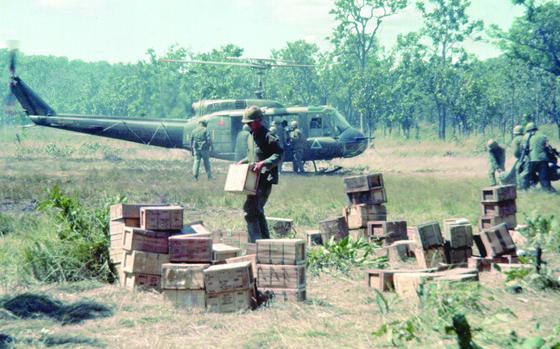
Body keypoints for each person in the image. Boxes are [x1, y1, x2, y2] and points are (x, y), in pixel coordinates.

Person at [238, 106, 283, 242]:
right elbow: (253, 156)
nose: (248, 125)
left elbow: (279, 154)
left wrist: (263, 164)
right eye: (247, 123)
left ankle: (255, 243)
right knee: (257, 211)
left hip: (264, 180)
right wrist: (243, 161)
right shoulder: (251, 137)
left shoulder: (268, 136)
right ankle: (264, 242)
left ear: (258, 121)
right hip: (252, 180)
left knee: (250, 211)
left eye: (250, 122)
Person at [522, 122, 555, 192]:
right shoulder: (543, 136)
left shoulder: (525, 137)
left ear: (527, 129)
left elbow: (523, 149)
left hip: (530, 159)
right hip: (542, 159)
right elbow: (548, 148)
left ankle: (526, 189)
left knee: (528, 175)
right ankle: (547, 191)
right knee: (544, 177)